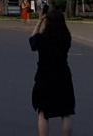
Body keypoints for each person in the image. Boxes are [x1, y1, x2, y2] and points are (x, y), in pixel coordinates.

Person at [30, 8, 75, 136]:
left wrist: (39, 22)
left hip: (44, 77)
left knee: (43, 112)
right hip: (63, 75)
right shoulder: (66, 37)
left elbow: (31, 42)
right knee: (65, 112)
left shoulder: (42, 38)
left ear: (47, 22)